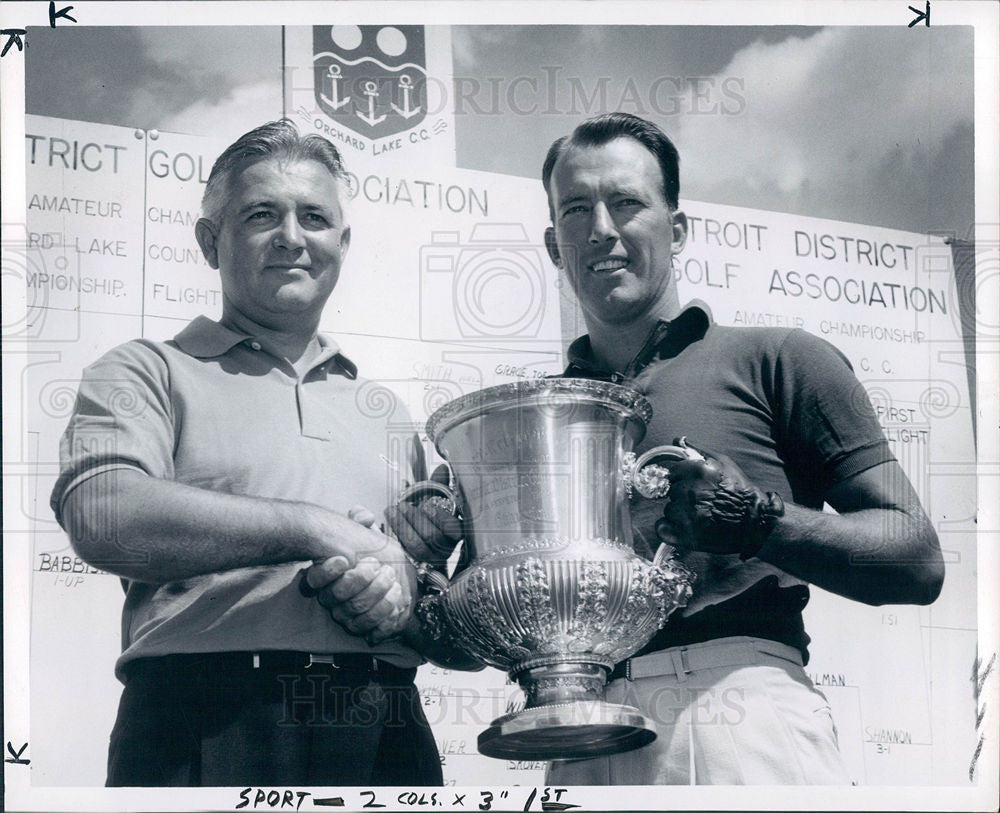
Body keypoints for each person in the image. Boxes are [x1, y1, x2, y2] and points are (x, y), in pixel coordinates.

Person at [50, 119, 467, 787]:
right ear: (211, 240)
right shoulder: (143, 371)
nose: (293, 237)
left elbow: (440, 615)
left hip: (383, 725)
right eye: (262, 214)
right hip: (203, 719)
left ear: (343, 241)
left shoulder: (385, 411)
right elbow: (102, 514)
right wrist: (313, 527)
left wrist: (401, 603)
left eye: (314, 217)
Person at [537, 113, 944, 784]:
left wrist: (758, 520)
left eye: (627, 202)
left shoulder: (781, 359)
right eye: (576, 209)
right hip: (579, 732)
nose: (601, 229)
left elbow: (917, 556)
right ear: (555, 244)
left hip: (743, 712)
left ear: (677, 228)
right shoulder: (534, 416)